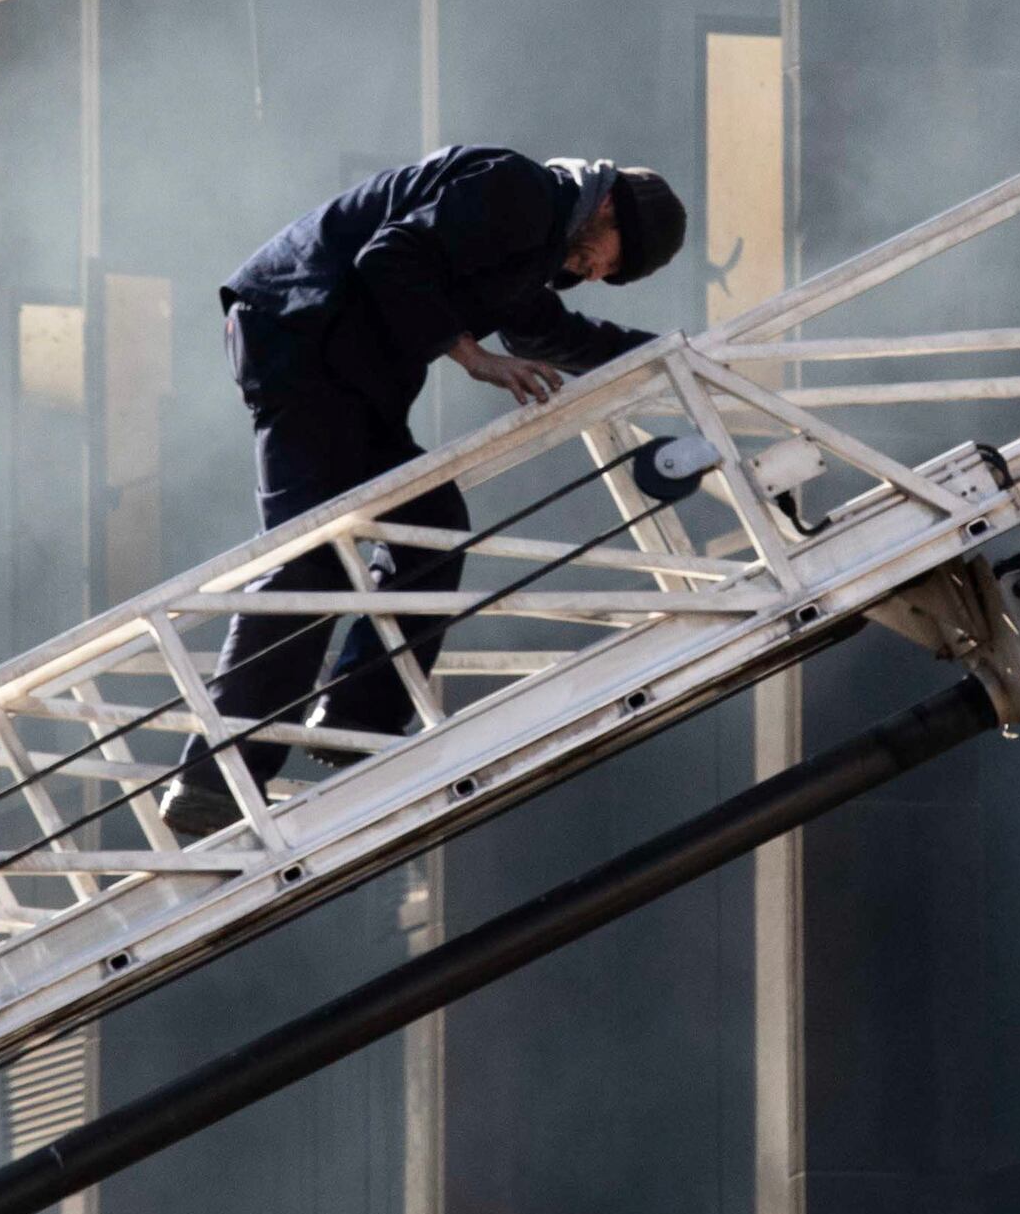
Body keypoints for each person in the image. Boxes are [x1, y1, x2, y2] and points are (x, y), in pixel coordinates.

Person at [162, 145, 689, 836]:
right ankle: (214, 776)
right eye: (609, 259)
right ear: (609, 206)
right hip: (304, 335)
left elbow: (545, 330)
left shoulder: (533, 245)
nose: (593, 274)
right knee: (313, 558)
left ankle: (357, 716)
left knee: (432, 524)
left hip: (348, 368)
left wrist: (670, 355)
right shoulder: (520, 190)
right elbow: (390, 256)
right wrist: (473, 357)